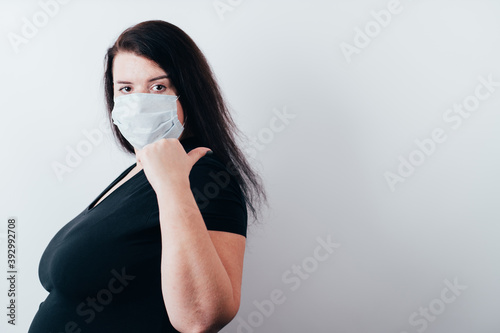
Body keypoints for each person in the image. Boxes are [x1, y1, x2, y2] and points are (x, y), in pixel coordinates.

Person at [28, 20, 267, 332]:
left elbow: (202, 318)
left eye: (158, 87)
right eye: (126, 89)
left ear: (189, 93)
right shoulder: (137, 172)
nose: (139, 101)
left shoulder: (205, 177)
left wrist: (172, 184)